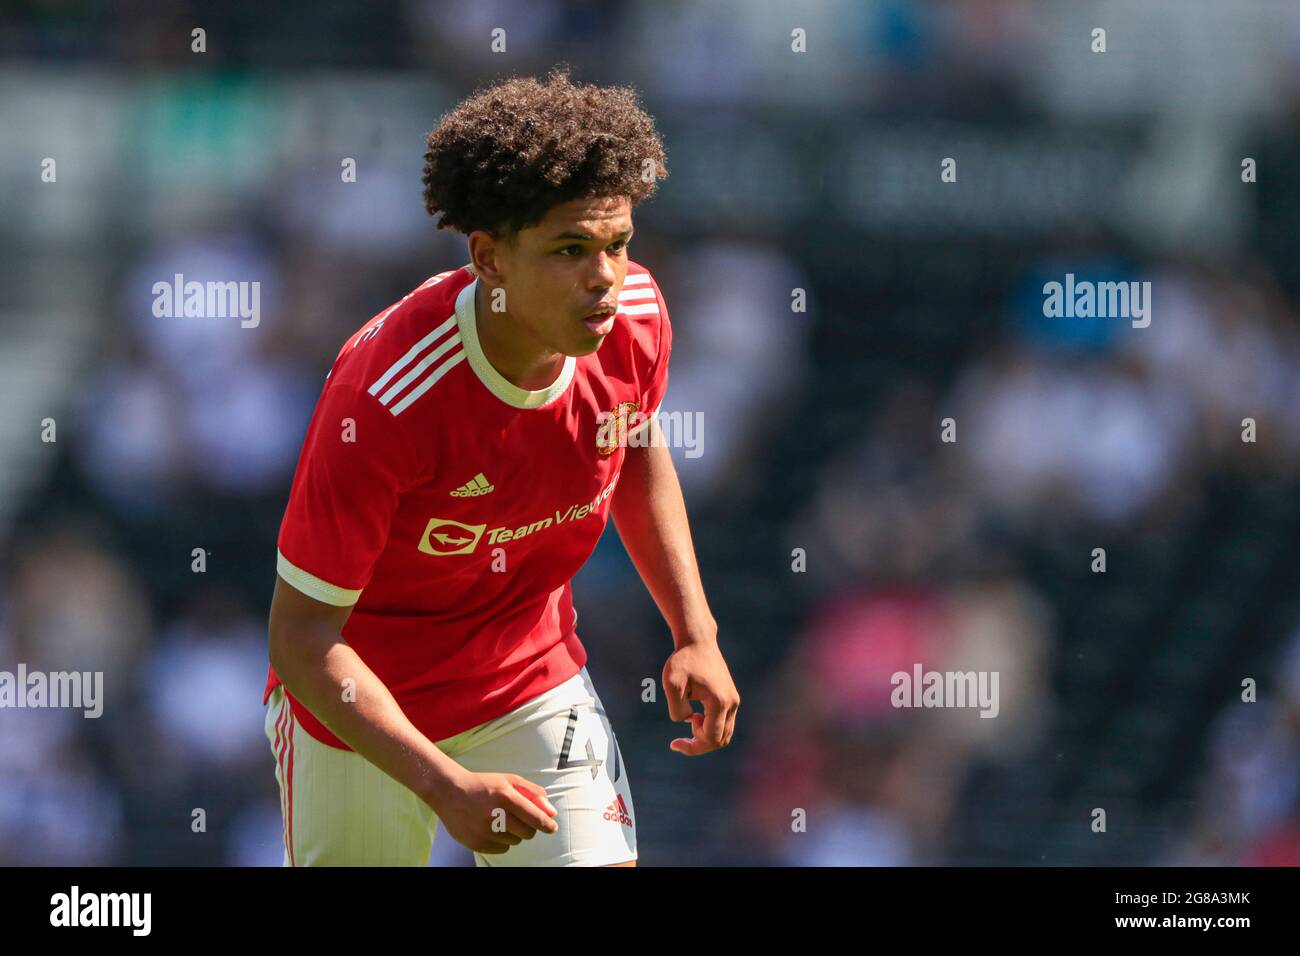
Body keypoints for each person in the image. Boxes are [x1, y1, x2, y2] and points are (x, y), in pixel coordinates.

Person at [262, 67, 739, 866]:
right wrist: (445, 784)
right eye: (569, 249)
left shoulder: (636, 321)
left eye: (618, 244)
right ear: (489, 258)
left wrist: (696, 631)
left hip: (529, 682)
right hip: (363, 716)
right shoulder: (385, 399)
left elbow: (635, 455)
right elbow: (301, 640)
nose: (606, 277)